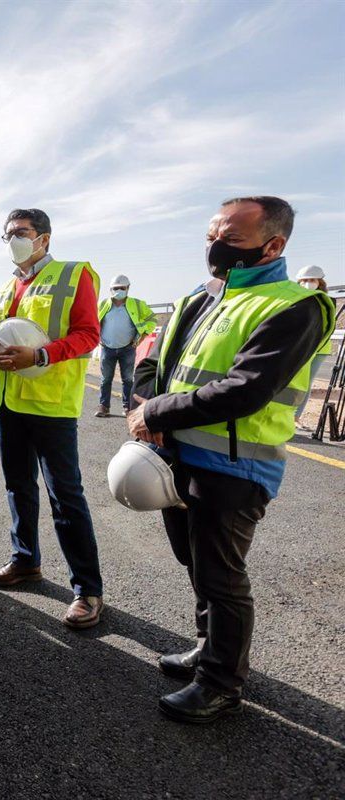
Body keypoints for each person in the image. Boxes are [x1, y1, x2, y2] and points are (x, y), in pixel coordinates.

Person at [131, 196, 334, 724]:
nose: (215, 246)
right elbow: (155, 361)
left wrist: (156, 410)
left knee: (222, 576)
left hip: (235, 468)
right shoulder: (198, 300)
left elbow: (248, 389)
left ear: (274, 245)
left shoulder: (294, 307)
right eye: (211, 235)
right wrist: (146, 403)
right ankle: (207, 646)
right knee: (193, 562)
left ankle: (221, 683)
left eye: (231, 238)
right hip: (176, 456)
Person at [0, 208, 105, 629]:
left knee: (64, 495)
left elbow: (88, 334)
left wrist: (41, 354)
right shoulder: (2, 289)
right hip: (8, 403)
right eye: (7, 234)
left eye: (21, 233)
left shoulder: (73, 275)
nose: (13, 239)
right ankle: (25, 561)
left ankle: (87, 590)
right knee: (18, 487)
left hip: (50, 405)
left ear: (44, 238)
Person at [96, 274, 157, 417]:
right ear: (110, 289)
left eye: (122, 288)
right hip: (107, 348)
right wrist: (97, 338)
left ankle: (128, 407)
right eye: (116, 288)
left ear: (128, 288)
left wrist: (140, 338)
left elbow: (152, 320)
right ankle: (103, 406)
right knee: (105, 379)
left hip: (128, 348)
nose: (119, 291)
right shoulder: (103, 304)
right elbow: (93, 322)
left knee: (128, 379)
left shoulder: (137, 304)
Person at [293, 264, 335, 423]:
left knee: (306, 382)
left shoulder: (327, 301)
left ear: (320, 282)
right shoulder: (297, 299)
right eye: (304, 280)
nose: (307, 283)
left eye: (311, 280)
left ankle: (296, 416)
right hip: (302, 346)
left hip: (319, 348)